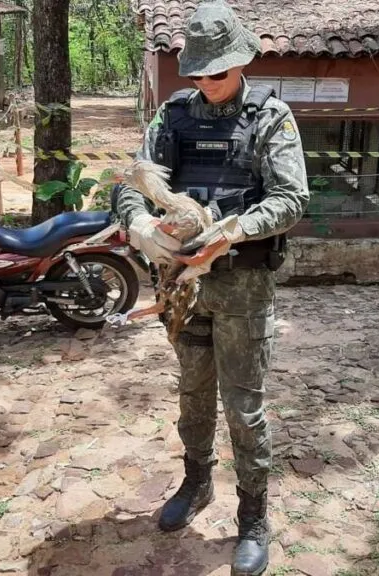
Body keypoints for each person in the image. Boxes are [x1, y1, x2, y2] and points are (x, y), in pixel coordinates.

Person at [112, 2, 309, 574]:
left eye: (216, 72)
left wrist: (231, 231)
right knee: (193, 395)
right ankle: (196, 482)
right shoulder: (172, 116)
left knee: (244, 409)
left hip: (242, 282)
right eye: (197, 73)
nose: (206, 82)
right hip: (182, 286)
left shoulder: (271, 118)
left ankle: (253, 515)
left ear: (241, 62)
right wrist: (142, 225)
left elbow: (292, 199)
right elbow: (133, 180)